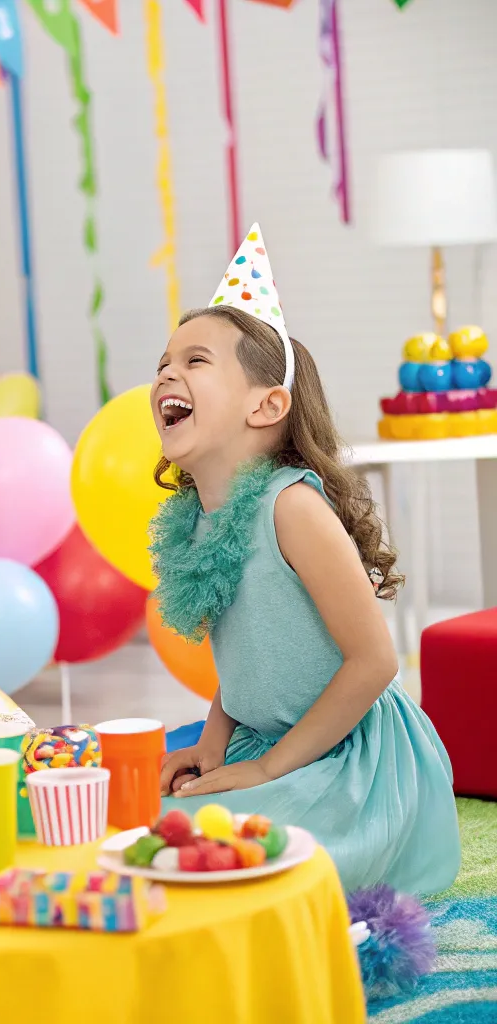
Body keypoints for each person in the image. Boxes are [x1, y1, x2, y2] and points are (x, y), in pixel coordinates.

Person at [153, 224, 459, 896]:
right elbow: (248, 657)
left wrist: (268, 771)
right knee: (154, 824)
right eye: (164, 364)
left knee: (234, 856)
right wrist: (213, 743)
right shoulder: (202, 520)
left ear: (268, 406)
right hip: (272, 738)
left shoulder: (292, 509)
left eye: (196, 361)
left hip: (353, 756)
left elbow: (376, 662)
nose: (168, 373)